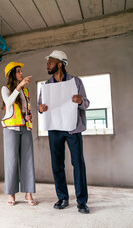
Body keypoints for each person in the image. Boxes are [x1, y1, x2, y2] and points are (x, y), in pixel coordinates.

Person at [37, 50, 90, 214]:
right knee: (57, 165)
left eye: (50, 62)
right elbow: (40, 106)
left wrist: (80, 101)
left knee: (78, 164)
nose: (47, 65)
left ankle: (81, 202)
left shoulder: (75, 82)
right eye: (48, 63)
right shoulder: (46, 86)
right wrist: (40, 108)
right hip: (54, 128)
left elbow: (86, 104)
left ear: (60, 64)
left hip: (73, 128)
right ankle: (62, 198)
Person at [1, 62, 36, 206]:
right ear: (12, 74)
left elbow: (26, 109)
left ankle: (28, 193)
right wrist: (19, 86)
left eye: (21, 71)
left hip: (25, 128)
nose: (21, 73)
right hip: (11, 129)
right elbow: (8, 103)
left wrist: (29, 116)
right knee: (11, 161)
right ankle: (11, 194)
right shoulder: (6, 89)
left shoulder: (25, 91)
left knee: (28, 160)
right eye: (18, 71)